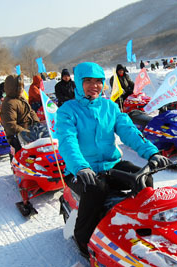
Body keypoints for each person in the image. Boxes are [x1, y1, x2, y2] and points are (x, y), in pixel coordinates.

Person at [56, 62, 170, 256]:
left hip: (111, 164)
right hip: (82, 170)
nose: (94, 85)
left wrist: (152, 152)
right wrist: (81, 167)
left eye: (98, 81)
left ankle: (141, 228)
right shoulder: (67, 110)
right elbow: (68, 142)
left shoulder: (110, 106)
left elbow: (129, 131)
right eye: (88, 81)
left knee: (144, 179)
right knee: (95, 190)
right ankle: (84, 240)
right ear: (79, 83)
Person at [0, 74, 40, 153]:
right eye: (19, 87)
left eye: (22, 87)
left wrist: (37, 123)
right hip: (18, 139)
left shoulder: (21, 98)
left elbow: (30, 111)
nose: (22, 89)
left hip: (29, 135)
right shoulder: (8, 103)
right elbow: (10, 125)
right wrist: (25, 132)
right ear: (13, 88)